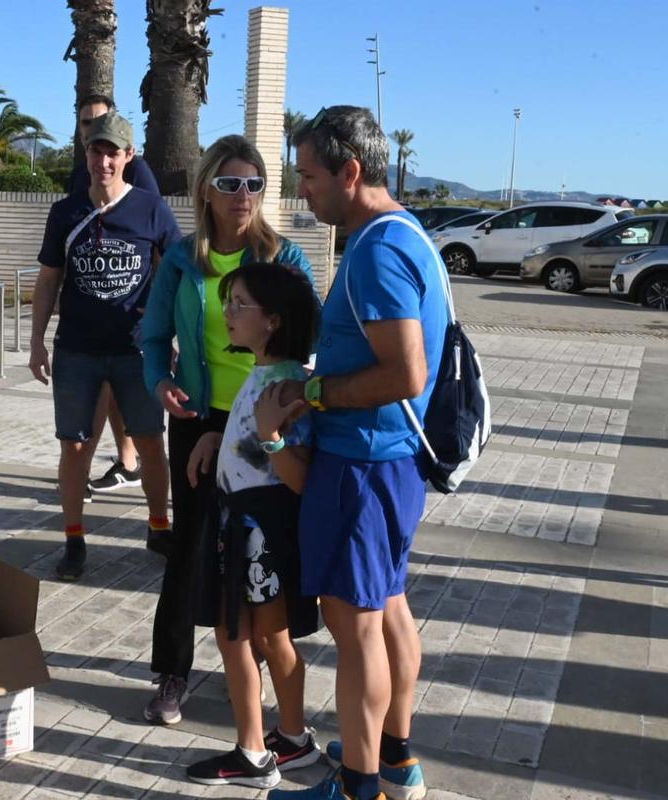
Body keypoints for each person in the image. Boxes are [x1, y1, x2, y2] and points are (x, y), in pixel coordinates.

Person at [268, 106, 447, 800]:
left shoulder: (376, 250)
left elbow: (404, 373)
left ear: (350, 171)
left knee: (357, 632)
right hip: (390, 465)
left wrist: (312, 393)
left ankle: (360, 786)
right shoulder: (408, 235)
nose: (302, 190)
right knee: (390, 611)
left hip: (362, 467)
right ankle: (395, 762)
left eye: (310, 176)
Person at [140, 134, 315, 725]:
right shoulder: (184, 260)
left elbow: (309, 338)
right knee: (189, 547)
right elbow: (151, 337)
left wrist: (289, 411)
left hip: (266, 419)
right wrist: (158, 382)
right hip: (199, 419)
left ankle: (256, 672)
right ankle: (172, 673)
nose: (243, 195)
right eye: (230, 183)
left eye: (255, 184)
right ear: (206, 191)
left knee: (259, 544)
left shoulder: (285, 259)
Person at [184, 264, 322, 789]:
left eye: (239, 304)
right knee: (260, 636)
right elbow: (254, 444)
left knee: (242, 635)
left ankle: (254, 752)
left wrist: (269, 437)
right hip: (242, 523)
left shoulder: (290, 387)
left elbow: (297, 475)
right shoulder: (268, 374)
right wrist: (220, 440)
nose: (228, 314)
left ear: (273, 321)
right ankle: (289, 738)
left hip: (260, 530)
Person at [28, 111, 180, 581]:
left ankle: (159, 527)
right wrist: (35, 342)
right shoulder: (66, 211)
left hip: (135, 352)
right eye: (96, 151)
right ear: (87, 154)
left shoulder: (151, 209)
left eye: (113, 152)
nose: (104, 160)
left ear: (128, 156)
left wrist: (164, 328)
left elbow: (176, 271)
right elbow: (50, 277)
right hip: (77, 349)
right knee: (75, 448)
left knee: (151, 442)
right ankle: (74, 539)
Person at [68, 94, 159, 500]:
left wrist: (155, 309)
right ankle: (122, 464)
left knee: (117, 404)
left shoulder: (139, 176)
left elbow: (160, 244)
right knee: (99, 406)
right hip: (86, 332)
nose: (92, 130)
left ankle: (128, 465)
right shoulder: (78, 176)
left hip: (131, 331)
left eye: (99, 122)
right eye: (86, 124)